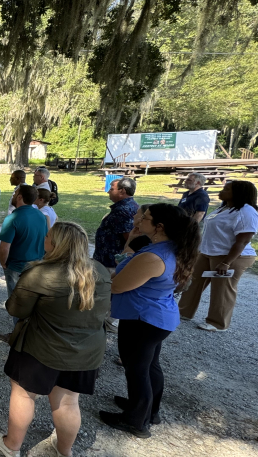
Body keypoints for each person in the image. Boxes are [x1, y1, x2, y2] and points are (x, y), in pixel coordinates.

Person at [0, 222, 111, 457]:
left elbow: (16, 309)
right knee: (67, 401)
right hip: (85, 352)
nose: (44, 239)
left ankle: (12, 445)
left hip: (40, 348)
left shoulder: (39, 273)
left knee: (24, 394)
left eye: (47, 236)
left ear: (55, 244)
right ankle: (64, 450)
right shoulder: (101, 272)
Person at [99, 204, 200, 438]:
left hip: (142, 318)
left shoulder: (153, 257)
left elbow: (118, 285)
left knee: (137, 369)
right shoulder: (172, 247)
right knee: (149, 365)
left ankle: (136, 420)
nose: (139, 220)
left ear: (159, 226)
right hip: (157, 317)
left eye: (145, 218)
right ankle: (149, 410)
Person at [178, 180, 258, 331]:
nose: (221, 191)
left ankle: (217, 322)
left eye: (226, 189)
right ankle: (183, 312)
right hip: (208, 252)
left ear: (237, 193)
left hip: (231, 256)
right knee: (192, 281)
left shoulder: (247, 211)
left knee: (222, 289)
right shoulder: (225, 207)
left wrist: (226, 263)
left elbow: (243, 241)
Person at [0, 185, 48, 342]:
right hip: (37, 264)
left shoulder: (13, 218)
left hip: (17, 265)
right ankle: (32, 332)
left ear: (19, 197)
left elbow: (4, 247)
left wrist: (3, 263)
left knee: (17, 301)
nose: (13, 195)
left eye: (15, 193)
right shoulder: (40, 215)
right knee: (34, 300)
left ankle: (17, 336)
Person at [93, 177, 139, 270]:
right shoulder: (131, 205)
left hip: (111, 263)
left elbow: (129, 237)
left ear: (122, 191)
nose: (108, 192)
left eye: (111, 189)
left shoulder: (122, 210)